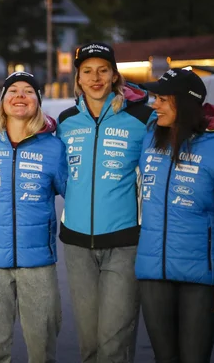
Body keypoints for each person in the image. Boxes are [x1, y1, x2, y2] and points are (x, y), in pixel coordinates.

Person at [136, 67, 214, 362]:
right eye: (155, 98)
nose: (155, 105)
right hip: (153, 273)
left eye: (163, 99)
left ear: (185, 104)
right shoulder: (152, 136)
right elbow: (125, 95)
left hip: (200, 280)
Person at [56, 43, 154, 363]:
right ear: (79, 79)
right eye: (87, 71)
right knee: (89, 344)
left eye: (103, 70)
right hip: (77, 245)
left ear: (114, 76)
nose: (95, 77)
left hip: (125, 243)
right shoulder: (66, 122)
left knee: (115, 343)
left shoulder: (142, 119)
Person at [0, 72, 67, 362]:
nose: (20, 96)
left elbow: (72, 193)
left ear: (38, 102)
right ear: (2, 101)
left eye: (28, 91)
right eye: (13, 90)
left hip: (37, 264)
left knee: (42, 351)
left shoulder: (54, 147)